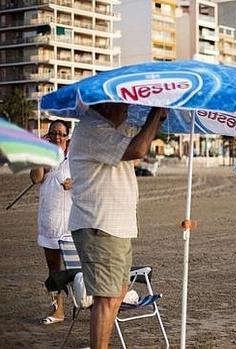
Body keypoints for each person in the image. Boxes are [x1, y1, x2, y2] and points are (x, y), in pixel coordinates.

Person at [68, 103, 167, 349]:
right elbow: (139, 148)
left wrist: (160, 118)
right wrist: (155, 112)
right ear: (106, 106)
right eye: (122, 104)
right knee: (106, 299)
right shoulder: (93, 129)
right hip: (101, 226)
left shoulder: (109, 128)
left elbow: (143, 136)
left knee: (116, 296)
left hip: (115, 226)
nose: (127, 109)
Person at [30, 120, 72, 325]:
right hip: (50, 219)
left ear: (67, 137)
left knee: (78, 266)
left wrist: (75, 183)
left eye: (61, 134)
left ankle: (90, 304)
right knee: (54, 268)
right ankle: (58, 309)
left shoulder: (74, 157)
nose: (57, 137)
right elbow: (36, 178)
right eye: (53, 133)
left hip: (73, 222)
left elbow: (87, 180)